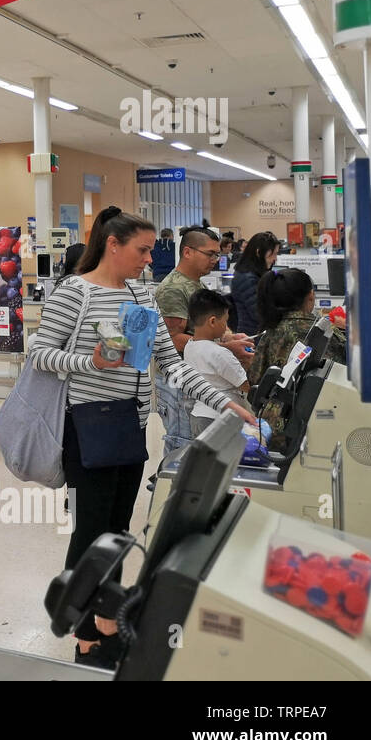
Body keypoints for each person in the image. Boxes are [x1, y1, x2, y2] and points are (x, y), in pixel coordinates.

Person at [28, 206, 257, 670]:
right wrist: (91, 363)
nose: (149, 259)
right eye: (143, 250)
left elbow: (169, 364)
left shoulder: (141, 295)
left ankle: (106, 620)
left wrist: (221, 401)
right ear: (113, 245)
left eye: (152, 250)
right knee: (90, 532)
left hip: (130, 429)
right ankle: (86, 634)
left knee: (117, 531)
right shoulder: (76, 292)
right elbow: (38, 352)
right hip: (87, 426)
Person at [152, 226, 254, 459]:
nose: (215, 260)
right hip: (178, 382)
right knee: (184, 448)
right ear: (187, 252)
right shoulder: (174, 288)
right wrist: (226, 348)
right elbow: (174, 339)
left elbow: (205, 328)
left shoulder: (194, 283)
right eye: (210, 254)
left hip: (195, 379)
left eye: (217, 254)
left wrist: (229, 336)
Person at [249, 268, 348, 452]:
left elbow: (255, 377)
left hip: (273, 425)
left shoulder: (271, 331)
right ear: (310, 296)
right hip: (316, 421)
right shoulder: (326, 332)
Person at [184, 290, 249, 436]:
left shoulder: (189, 346)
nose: (226, 327)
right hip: (220, 418)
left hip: (198, 415)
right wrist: (250, 362)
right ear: (212, 321)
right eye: (225, 322)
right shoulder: (220, 353)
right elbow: (245, 385)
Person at [229, 231, 278, 335]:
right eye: (272, 254)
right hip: (253, 335)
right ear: (258, 252)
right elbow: (258, 313)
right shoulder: (247, 278)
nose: (275, 259)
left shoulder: (255, 273)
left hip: (256, 332)